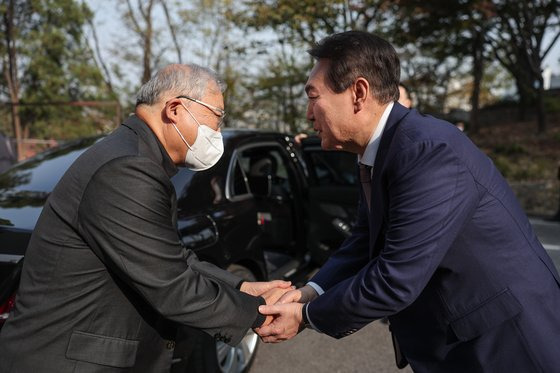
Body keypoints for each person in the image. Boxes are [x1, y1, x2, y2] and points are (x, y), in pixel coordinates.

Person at [256, 31, 560, 372]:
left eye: (314, 97)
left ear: (358, 93)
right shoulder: (383, 150)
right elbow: (364, 239)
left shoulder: (427, 151)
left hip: (505, 345)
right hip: (463, 342)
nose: (309, 114)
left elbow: (395, 277)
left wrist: (304, 316)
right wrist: (310, 291)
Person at [0, 64, 291, 372]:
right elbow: (170, 285)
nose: (217, 132)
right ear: (176, 109)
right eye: (217, 117)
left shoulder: (135, 156)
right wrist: (260, 314)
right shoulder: (128, 168)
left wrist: (242, 288)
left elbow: (172, 257)